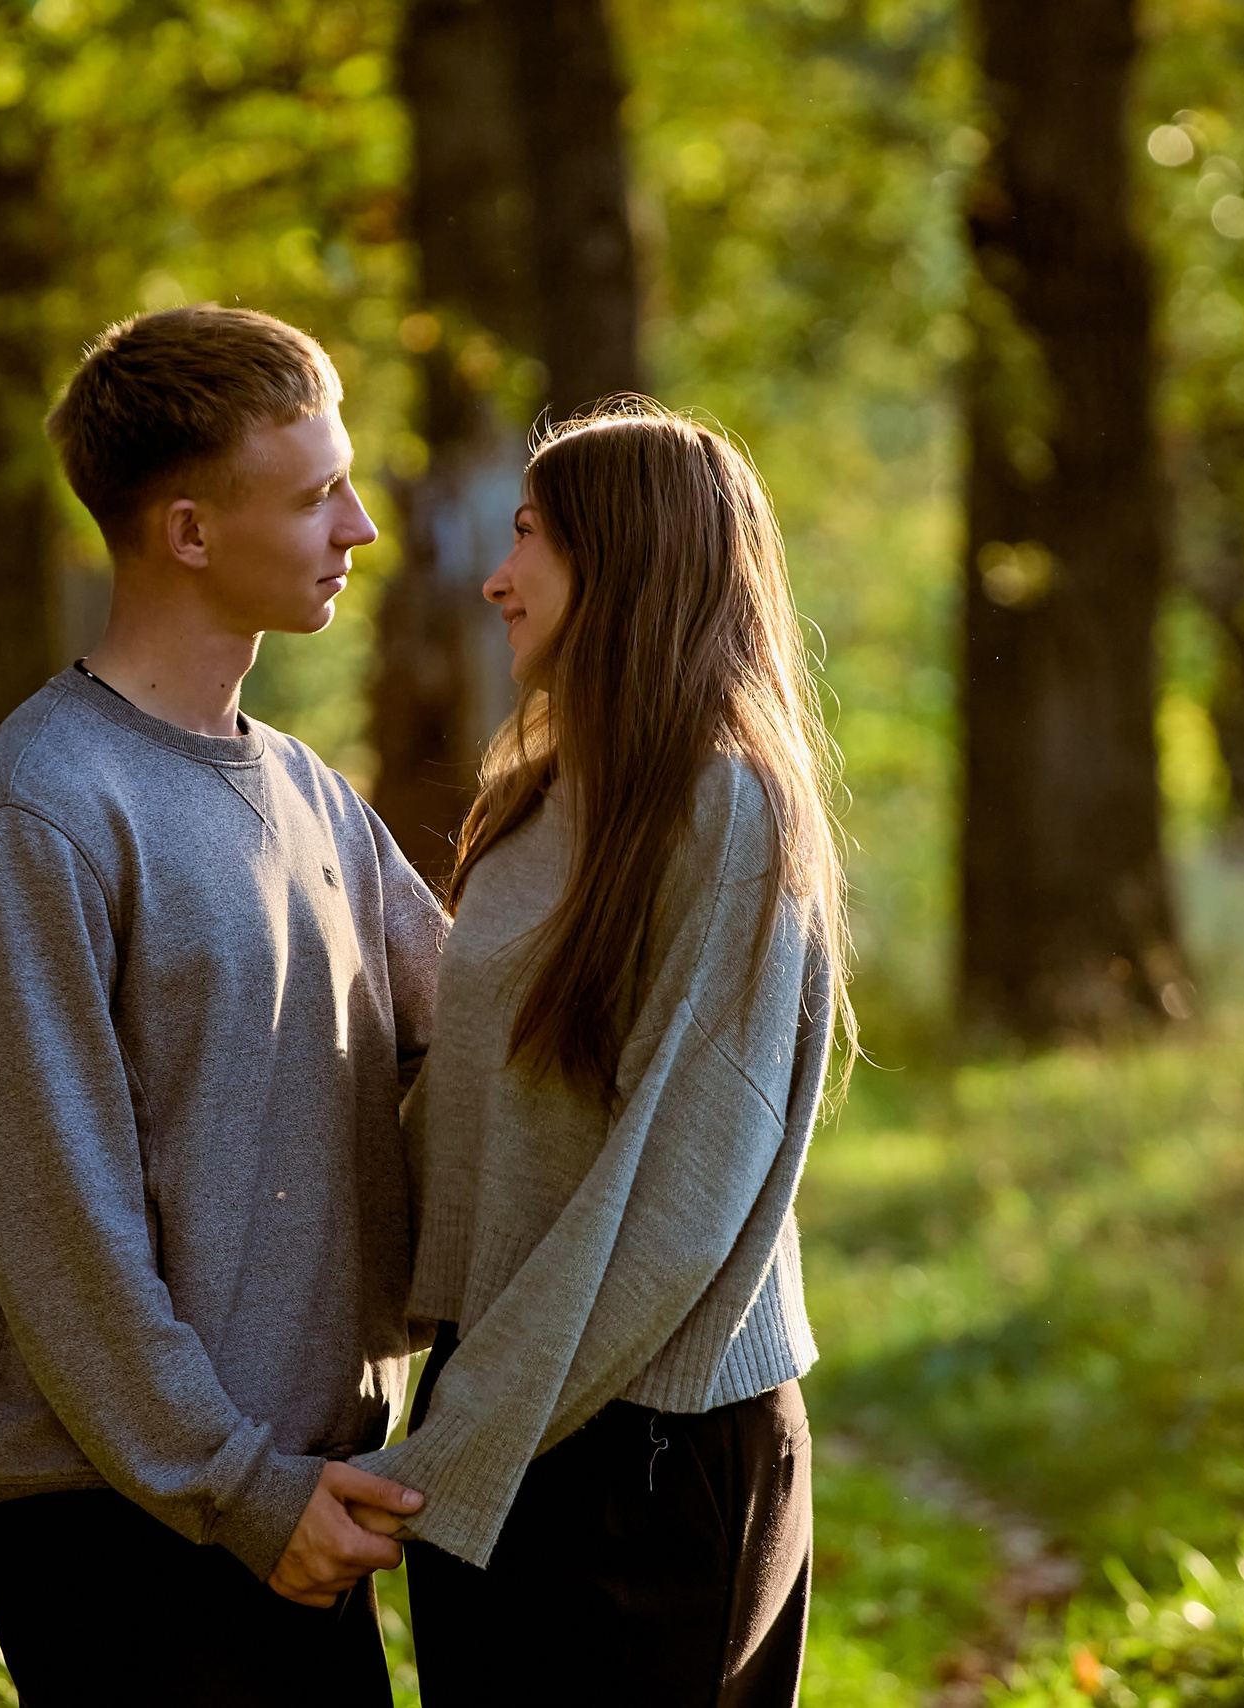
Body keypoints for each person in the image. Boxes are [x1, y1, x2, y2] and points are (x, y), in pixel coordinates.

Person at [0, 305, 446, 1707]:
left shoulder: (314, 796)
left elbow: (483, 1040)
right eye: (320, 493)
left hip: (302, 1503)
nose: (360, 529)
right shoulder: (43, 816)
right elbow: (61, 1234)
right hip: (124, 1527)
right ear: (192, 532)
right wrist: (239, 1491)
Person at [352, 398, 854, 1706]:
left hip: (645, 1441)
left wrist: (454, 1445)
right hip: (510, 1410)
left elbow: (685, 1188)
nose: (496, 578)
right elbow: (474, 1100)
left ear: (621, 562)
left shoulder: (724, 805)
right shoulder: (539, 796)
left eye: (531, 539)